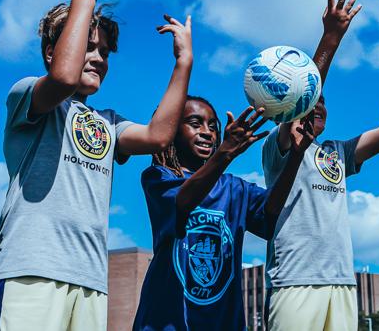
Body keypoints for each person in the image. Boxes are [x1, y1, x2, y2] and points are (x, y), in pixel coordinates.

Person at [0, 0, 194, 331]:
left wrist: (183, 63)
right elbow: (63, 79)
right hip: (30, 268)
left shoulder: (107, 123)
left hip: (90, 279)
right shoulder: (28, 95)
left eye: (105, 52)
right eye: (88, 47)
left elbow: (158, 136)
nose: (99, 58)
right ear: (52, 52)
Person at [262, 0, 379, 331]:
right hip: (295, 279)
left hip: (342, 282)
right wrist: (331, 38)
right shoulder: (278, 146)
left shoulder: (337, 153)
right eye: (314, 101)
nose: (320, 104)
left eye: (324, 101)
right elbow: (304, 94)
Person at [133, 98, 317, 331]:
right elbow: (184, 201)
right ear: (171, 130)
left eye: (212, 126)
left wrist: (296, 156)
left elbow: (270, 211)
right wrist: (225, 153)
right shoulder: (158, 178)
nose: (206, 132)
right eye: (195, 123)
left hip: (223, 320)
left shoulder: (233, 188)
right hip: (167, 319)